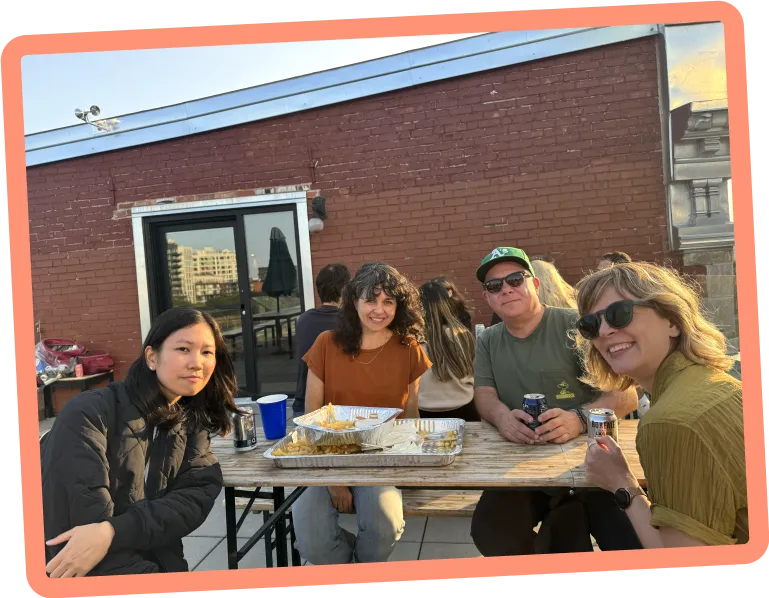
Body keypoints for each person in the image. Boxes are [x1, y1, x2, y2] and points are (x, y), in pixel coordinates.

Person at [41, 307, 240, 577]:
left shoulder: (190, 423)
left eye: (207, 352)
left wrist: (114, 530)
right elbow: (84, 541)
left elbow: (193, 499)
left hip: (159, 562)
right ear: (152, 357)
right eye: (183, 349)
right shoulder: (89, 415)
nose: (197, 362)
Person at [470, 247, 641, 555]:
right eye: (495, 286)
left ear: (534, 285)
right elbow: (484, 395)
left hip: (590, 462)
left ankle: (566, 522)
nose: (506, 289)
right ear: (488, 298)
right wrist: (501, 416)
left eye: (515, 279)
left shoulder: (576, 326)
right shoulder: (488, 340)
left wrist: (579, 418)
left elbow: (626, 394)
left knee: (631, 541)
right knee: (490, 530)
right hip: (523, 468)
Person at [575, 262, 748, 547]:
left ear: (673, 321)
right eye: (590, 325)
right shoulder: (718, 383)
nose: (604, 331)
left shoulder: (667, 422)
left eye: (619, 314)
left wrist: (622, 483)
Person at [292, 261, 432, 565]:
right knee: (311, 538)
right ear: (354, 300)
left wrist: (408, 465)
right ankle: (348, 564)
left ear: (399, 306)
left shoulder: (409, 349)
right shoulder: (326, 343)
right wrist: (334, 479)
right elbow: (312, 415)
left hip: (380, 457)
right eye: (370, 299)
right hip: (328, 454)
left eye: (388, 301)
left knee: (385, 525)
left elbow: (410, 415)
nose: (378, 310)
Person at [292, 263, 351, 416]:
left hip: (302, 403)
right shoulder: (350, 322)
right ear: (345, 290)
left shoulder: (303, 319)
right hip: (336, 410)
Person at [417, 281, 480, 421]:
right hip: (465, 410)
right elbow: (477, 373)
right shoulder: (464, 335)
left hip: (424, 414)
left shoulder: (413, 339)